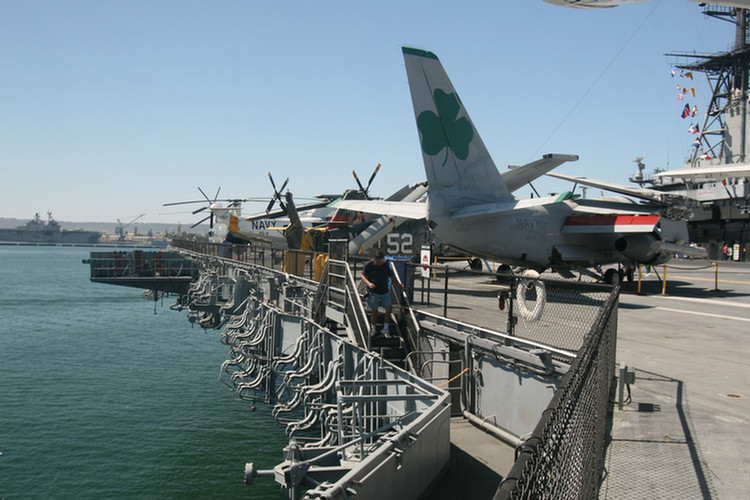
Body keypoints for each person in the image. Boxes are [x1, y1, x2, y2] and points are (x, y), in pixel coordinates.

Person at [361, 251, 400, 337]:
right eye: (379, 262)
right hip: (373, 291)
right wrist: (369, 283)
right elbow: (363, 276)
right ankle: (373, 328)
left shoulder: (385, 265)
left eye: (382, 261)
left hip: (384, 291)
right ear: (375, 260)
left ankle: (385, 328)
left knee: (389, 308)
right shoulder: (368, 265)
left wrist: (399, 284)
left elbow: (391, 275)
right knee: (374, 310)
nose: (380, 263)